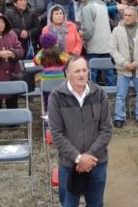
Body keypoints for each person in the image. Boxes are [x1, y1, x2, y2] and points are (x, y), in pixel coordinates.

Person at [48, 56, 113, 207]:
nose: (82, 74)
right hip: (69, 164)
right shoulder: (56, 97)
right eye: (77, 71)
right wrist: (78, 158)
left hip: (97, 162)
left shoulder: (99, 93)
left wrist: (89, 156)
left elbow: (106, 129)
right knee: (69, 204)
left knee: (96, 204)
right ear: (67, 73)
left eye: (84, 70)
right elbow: (56, 134)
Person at [109, 6, 138, 128]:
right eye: (125, 15)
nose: (126, 17)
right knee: (121, 95)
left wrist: (136, 63)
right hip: (123, 68)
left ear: (136, 17)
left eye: (129, 15)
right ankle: (119, 117)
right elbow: (112, 49)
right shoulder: (117, 30)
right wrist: (124, 63)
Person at [0, 12, 24, 109]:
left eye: (2, 22)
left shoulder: (12, 34)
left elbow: (21, 50)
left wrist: (13, 53)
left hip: (12, 73)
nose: (1, 24)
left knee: (13, 102)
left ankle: (13, 118)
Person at [80, 0, 115, 86]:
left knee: (92, 72)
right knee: (108, 70)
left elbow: (89, 28)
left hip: (94, 43)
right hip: (106, 43)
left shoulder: (87, 7)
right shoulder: (103, 5)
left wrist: (85, 39)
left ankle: (93, 91)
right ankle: (112, 91)